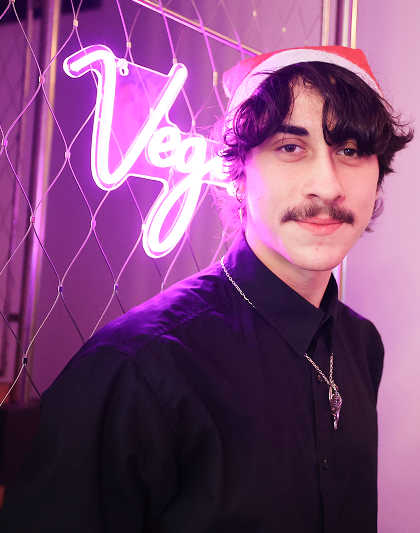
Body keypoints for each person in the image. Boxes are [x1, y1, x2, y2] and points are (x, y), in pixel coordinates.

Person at [0, 46, 413, 532]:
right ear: (238, 172)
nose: (327, 185)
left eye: (350, 150)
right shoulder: (137, 366)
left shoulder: (361, 345)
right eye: (290, 147)